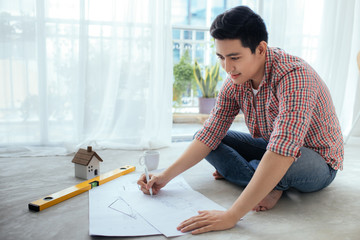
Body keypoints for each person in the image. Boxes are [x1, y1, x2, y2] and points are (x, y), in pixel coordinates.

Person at [137, 5, 344, 235]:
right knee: (208, 140)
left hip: (317, 161)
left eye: (234, 57)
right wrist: (166, 176)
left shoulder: (294, 77)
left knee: (280, 160)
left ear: (261, 49)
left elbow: (283, 150)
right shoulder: (236, 79)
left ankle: (266, 180)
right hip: (272, 147)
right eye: (221, 58)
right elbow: (210, 133)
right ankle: (267, 182)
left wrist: (231, 215)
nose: (227, 67)